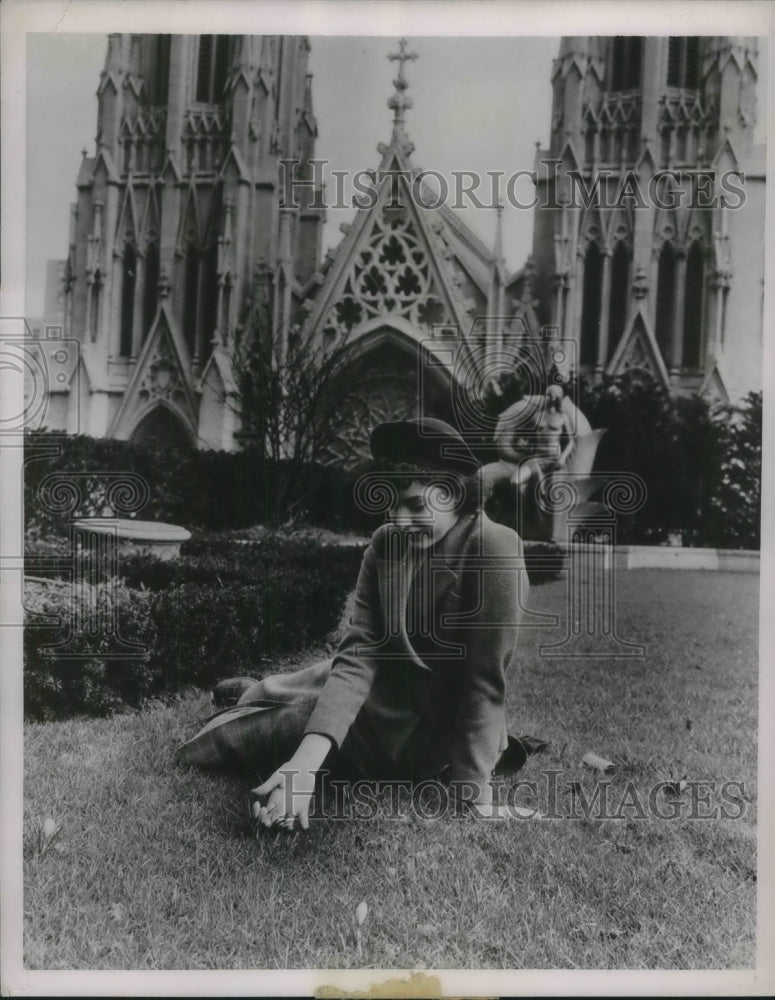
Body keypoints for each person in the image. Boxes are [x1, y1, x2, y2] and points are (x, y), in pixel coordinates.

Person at [176, 417, 531, 828]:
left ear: (456, 493)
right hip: (371, 687)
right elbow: (358, 655)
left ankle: (253, 699)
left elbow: (484, 684)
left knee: (226, 742)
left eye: (416, 505)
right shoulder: (386, 543)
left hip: (414, 731)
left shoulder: (495, 547)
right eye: (390, 505)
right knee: (313, 681)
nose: (398, 521)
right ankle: (257, 689)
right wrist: (305, 767)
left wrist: (472, 798)